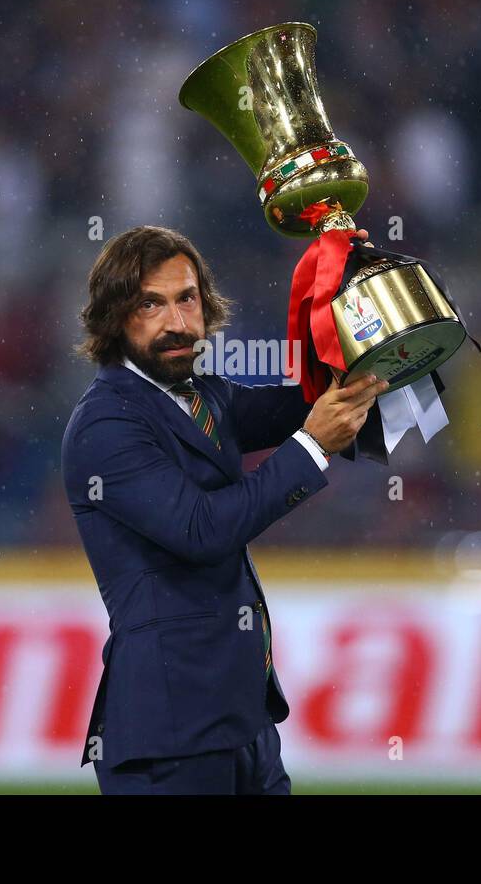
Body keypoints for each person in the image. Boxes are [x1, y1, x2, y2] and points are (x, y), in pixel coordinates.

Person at [62, 225, 386, 794]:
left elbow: (309, 396)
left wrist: (344, 282)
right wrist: (312, 445)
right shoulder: (106, 423)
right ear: (114, 318)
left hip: (243, 723)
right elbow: (202, 529)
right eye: (149, 304)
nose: (177, 323)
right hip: (170, 735)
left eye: (186, 298)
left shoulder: (204, 396)